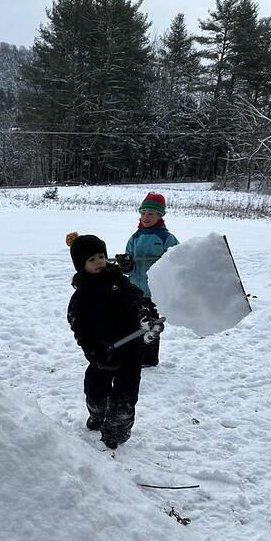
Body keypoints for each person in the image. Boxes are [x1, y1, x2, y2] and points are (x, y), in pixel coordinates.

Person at [66, 232, 162, 449]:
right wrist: (93, 351)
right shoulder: (80, 297)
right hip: (103, 353)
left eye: (101, 256)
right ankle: (98, 413)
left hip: (130, 351)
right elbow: (79, 328)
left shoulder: (120, 283)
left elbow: (136, 299)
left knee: (125, 395)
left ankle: (115, 431)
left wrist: (145, 314)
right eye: (92, 260)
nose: (99, 262)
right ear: (81, 265)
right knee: (94, 390)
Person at [121, 192, 179, 367]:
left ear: (160, 215)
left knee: (152, 325)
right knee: (134, 324)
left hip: (155, 291)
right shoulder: (135, 238)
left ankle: (149, 359)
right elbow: (128, 267)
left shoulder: (166, 238)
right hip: (135, 289)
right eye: (143, 213)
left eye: (151, 214)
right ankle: (134, 355)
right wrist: (126, 265)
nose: (146, 217)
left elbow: (178, 262)